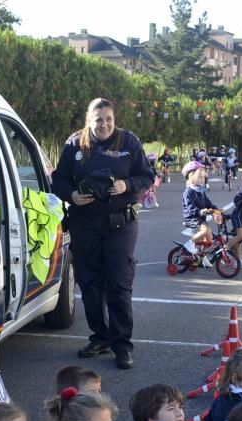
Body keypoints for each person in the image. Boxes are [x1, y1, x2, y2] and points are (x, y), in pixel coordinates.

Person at [52, 98, 154, 370]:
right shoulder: (75, 144)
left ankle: (122, 345)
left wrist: (126, 184)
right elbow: (58, 179)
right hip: (84, 222)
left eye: (108, 118)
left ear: (114, 118)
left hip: (120, 223)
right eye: (98, 119)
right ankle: (100, 337)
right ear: (89, 120)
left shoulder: (128, 143)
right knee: (90, 284)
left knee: (119, 284)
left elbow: (147, 176)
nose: (104, 124)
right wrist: (72, 194)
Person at [180, 160, 217, 266]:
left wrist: (215, 209)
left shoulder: (200, 191)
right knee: (206, 230)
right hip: (191, 217)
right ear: (191, 177)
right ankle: (190, 243)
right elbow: (190, 207)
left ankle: (202, 256)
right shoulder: (188, 192)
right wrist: (200, 211)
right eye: (200, 177)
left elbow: (208, 203)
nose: (203, 179)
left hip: (200, 218)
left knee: (209, 238)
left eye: (203, 177)